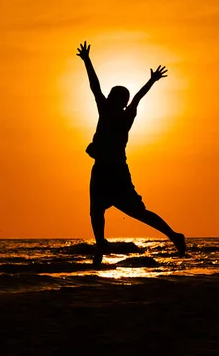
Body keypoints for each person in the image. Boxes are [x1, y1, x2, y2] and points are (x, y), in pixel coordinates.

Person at [76, 41, 186, 265]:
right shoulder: (109, 110)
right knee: (96, 209)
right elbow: (96, 88)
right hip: (102, 169)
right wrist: (87, 61)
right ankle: (100, 246)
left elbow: (135, 97)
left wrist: (151, 81)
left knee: (137, 212)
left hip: (116, 171)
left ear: (120, 101)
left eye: (115, 96)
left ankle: (174, 236)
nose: (108, 97)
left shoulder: (124, 115)